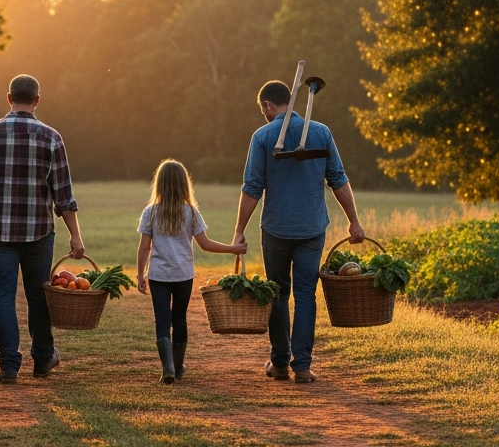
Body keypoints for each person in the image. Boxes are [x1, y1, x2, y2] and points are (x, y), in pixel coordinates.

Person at [0, 74, 84, 384]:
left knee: (4, 296)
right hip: (38, 230)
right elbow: (64, 196)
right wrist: (75, 235)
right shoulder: (52, 137)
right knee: (38, 296)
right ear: (37, 100)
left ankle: (8, 366)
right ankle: (42, 359)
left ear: (9, 98)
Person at [233, 79, 366, 384]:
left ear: (268, 105)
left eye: (263, 109)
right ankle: (302, 367)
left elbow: (252, 188)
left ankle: (280, 364)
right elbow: (338, 180)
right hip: (311, 229)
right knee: (306, 295)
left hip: (276, 230)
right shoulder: (321, 132)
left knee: (278, 294)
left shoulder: (263, 136)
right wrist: (354, 221)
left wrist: (239, 231)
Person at [136, 159, 247, 384]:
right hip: (183, 275)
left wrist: (140, 275)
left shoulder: (150, 212)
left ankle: (167, 368)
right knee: (179, 318)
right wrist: (233, 248)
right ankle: (177, 367)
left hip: (158, 276)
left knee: (162, 319)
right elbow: (205, 244)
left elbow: (144, 247)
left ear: (159, 184)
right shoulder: (191, 212)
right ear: (184, 184)